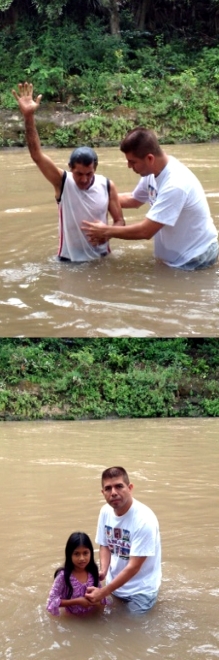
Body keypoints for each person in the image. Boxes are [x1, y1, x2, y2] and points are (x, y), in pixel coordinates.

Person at [12, 82, 125, 262]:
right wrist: (29, 116)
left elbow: (120, 221)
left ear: (95, 168)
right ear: (70, 168)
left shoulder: (107, 185)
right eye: (79, 174)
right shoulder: (63, 182)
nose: (84, 179)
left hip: (102, 260)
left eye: (89, 174)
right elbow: (37, 155)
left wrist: (107, 233)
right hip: (69, 262)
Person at [82, 127, 219, 270]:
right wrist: (93, 198)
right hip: (177, 256)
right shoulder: (151, 173)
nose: (129, 166)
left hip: (195, 258)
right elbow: (133, 200)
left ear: (149, 158)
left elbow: (145, 231)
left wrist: (105, 231)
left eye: (132, 162)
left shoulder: (176, 184)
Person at [85, 466, 161, 614]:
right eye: (108, 488)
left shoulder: (144, 520)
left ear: (130, 487)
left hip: (141, 591)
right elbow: (105, 545)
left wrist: (103, 592)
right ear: (103, 493)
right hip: (115, 585)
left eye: (119, 486)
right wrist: (104, 570)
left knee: (131, 629)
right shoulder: (105, 512)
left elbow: (134, 566)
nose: (113, 493)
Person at [46, 531, 106, 616]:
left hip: (94, 617)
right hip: (73, 619)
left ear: (91, 553)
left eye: (85, 553)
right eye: (77, 554)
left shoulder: (93, 572)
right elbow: (52, 601)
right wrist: (77, 601)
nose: (82, 558)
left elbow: (101, 598)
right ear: (69, 555)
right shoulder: (63, 576)